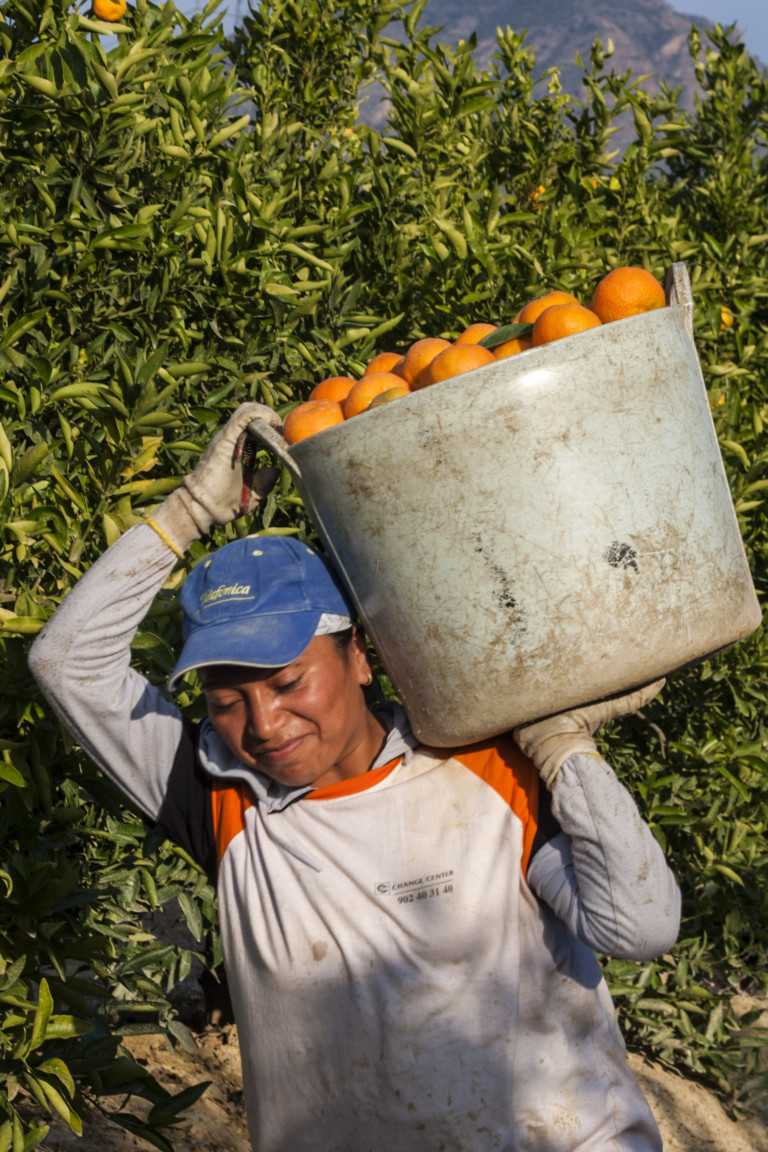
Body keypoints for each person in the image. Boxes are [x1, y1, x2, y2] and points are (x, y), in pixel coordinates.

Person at [29, 403, 681, 1152]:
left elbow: (639, 925)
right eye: (226, 699)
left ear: (359, 655)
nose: (264, 725)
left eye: (286, 682)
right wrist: (190, 510)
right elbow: (66, 662)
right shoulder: (219, 795)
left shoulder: (484, 766)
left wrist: (563, 746)